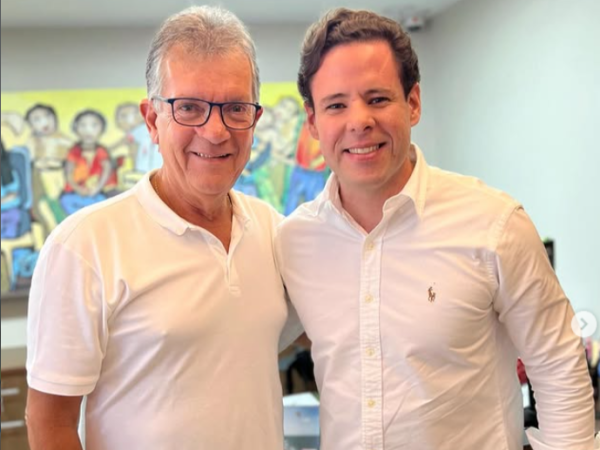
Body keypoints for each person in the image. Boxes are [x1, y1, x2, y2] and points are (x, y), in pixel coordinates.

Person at [276, 8, 594, 450]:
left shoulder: (493, 223)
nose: (359, 120)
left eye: (378, 98)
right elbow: (241, 343)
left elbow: (558, 364)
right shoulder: (295, 241)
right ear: (312, 121)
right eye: (336, 105)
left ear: (413, 103)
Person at [26, 6, 300, 450]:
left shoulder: (274, 232)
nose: (215, 131)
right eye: (189, 107)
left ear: (255, 119)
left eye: (235, 108)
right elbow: (49, 423)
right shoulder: (84, 245)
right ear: (153, 120)